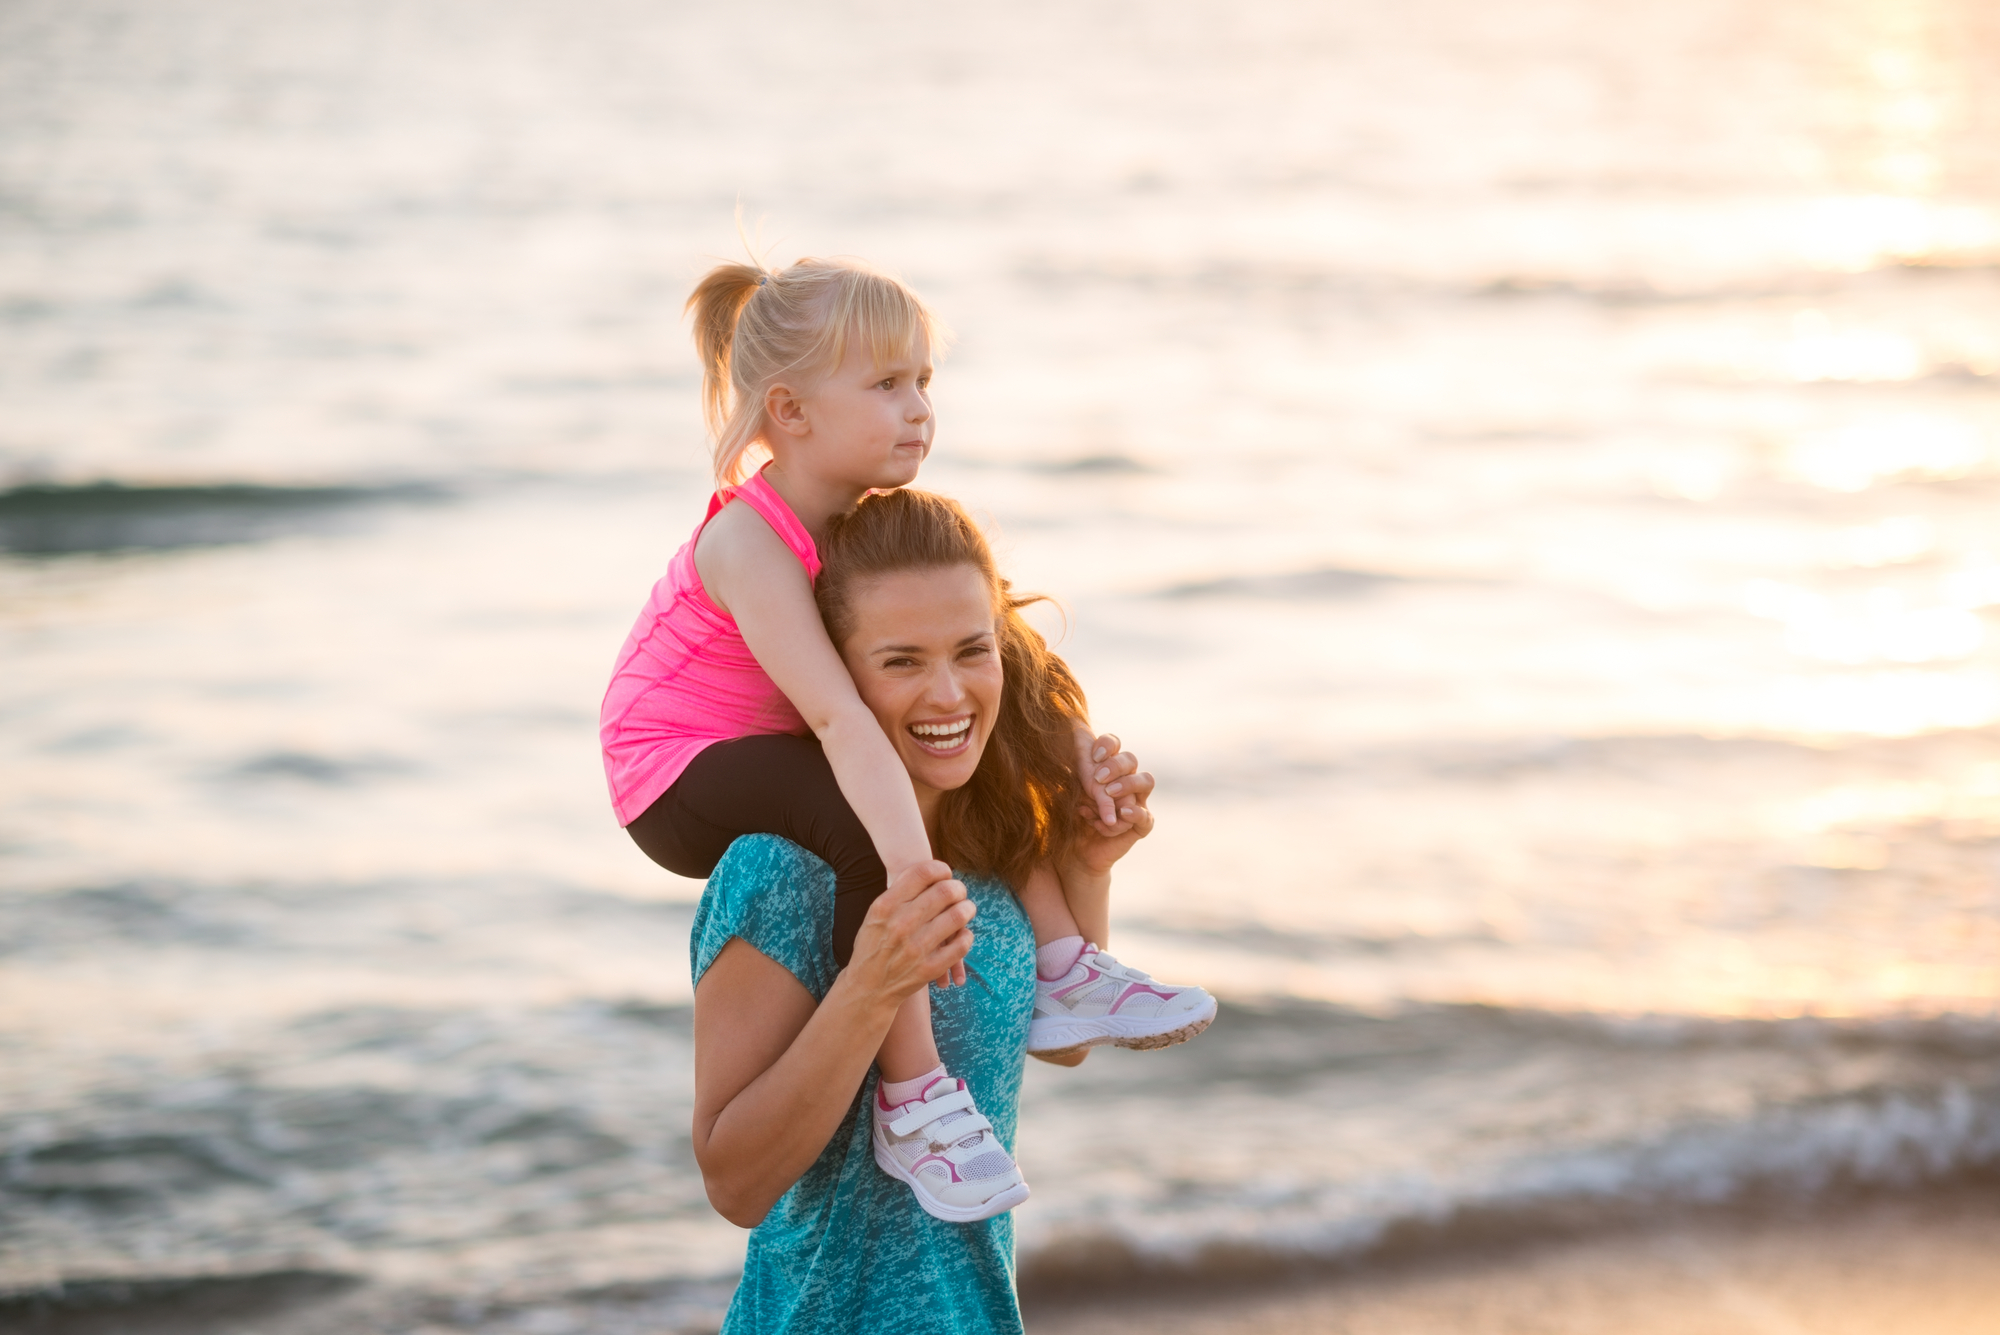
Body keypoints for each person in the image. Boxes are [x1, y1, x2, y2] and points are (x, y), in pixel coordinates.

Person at [600, 256, 1214, 1221]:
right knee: (862, 812)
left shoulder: (856, 527)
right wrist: (908, 871)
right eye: (888, 385)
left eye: (925, 382)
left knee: (992, 650)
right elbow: (844, 718)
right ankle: (914, 1094)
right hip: (673, 770)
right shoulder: (748, 540)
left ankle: (1067, 960)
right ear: (790, 410)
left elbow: (1056, 1051)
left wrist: (1081, 815)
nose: (919, 408)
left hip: (788, 752)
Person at [690, 487, 1178, 1333]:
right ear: (833, 675)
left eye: (971, 651)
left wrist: (1087, 864)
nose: (949, 693)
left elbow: (1057, 1047)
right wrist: (873, 984)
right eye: (902, 660)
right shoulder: (778, 871)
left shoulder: (991, 852)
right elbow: (734, 1182)